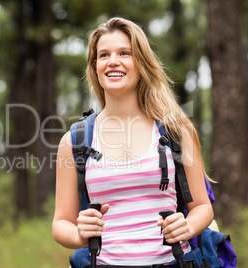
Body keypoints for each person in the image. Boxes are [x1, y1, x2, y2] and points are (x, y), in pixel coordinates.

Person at [52, 17, 214, 267]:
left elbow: (203, 207)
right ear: (95, 66)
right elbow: (61, 222)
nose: (113, 61)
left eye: (124, 53)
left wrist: (187, 226)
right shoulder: (74, 141)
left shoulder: (176, 130)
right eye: (103, 55)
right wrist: (78, 234)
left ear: (140, 62)